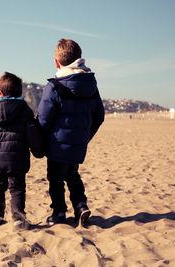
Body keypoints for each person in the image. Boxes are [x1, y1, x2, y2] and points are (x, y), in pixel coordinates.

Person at [37, 39, 105, 226]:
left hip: (57, 144)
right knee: (73, 175)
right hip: (78, 143)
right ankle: (81, 206)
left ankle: (59, 213)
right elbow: (99, 116)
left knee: (55, 179)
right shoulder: (91, 86)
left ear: (57, 62)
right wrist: (85, 136)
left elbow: (43, 119)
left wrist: (41, 139)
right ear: (80, 60)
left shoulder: (54, 87)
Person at [0, 72, 43, 229]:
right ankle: (18, 217)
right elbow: (32, 133)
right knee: (17, 188)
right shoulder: (25, 111)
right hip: (17, 159)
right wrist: (38, 151)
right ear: (19, 93)